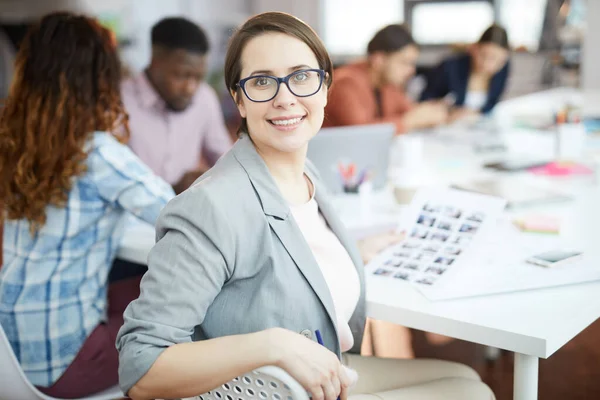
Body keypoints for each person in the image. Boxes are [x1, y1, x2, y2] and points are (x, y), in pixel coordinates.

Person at [116, 12, 495, 400]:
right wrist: (272, 346)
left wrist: (351, 251)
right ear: (239, 100)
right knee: (473, 396)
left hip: (324, 367)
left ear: (325, 87)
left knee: (466, 378)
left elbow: (282, 253)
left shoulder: (305, 172)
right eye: (262, 81)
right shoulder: (208, 207)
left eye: (301, 76)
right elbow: (141, 365)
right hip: (273, 390)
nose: (285, 98)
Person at [0, 13, 175, 398]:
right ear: (99, 79)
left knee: (137, 285)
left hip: (9, 352)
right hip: (64, 365)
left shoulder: (12, 142)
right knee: (184, 317)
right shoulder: (98, 154)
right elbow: (185, 217)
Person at [121, 17, 233, 194]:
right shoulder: (118, 103)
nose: (190, 88)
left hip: (188, 214)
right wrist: (171, 190)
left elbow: (226, 160)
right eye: (181, 75)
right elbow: (108, 184)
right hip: (133, 219)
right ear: (155, 62)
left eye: (198, 77)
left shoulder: (204, 98)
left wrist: (212, 178)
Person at [323, 24, 448, 134]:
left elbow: (410, 110)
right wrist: (409, 121)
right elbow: (361, 134)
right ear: (379, 59)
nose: (412, 71)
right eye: (404, 63)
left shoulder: (389, 84)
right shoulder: (345, 84)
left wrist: (429, 112)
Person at [421, 25, 510, 121]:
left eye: (495, 59)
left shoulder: (503, 69)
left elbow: (492, 102)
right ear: (474, 49)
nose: (486, 64)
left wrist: (476, 113)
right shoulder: (450, 67)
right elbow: (425, 99)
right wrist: (448, 110)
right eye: (483, 55)